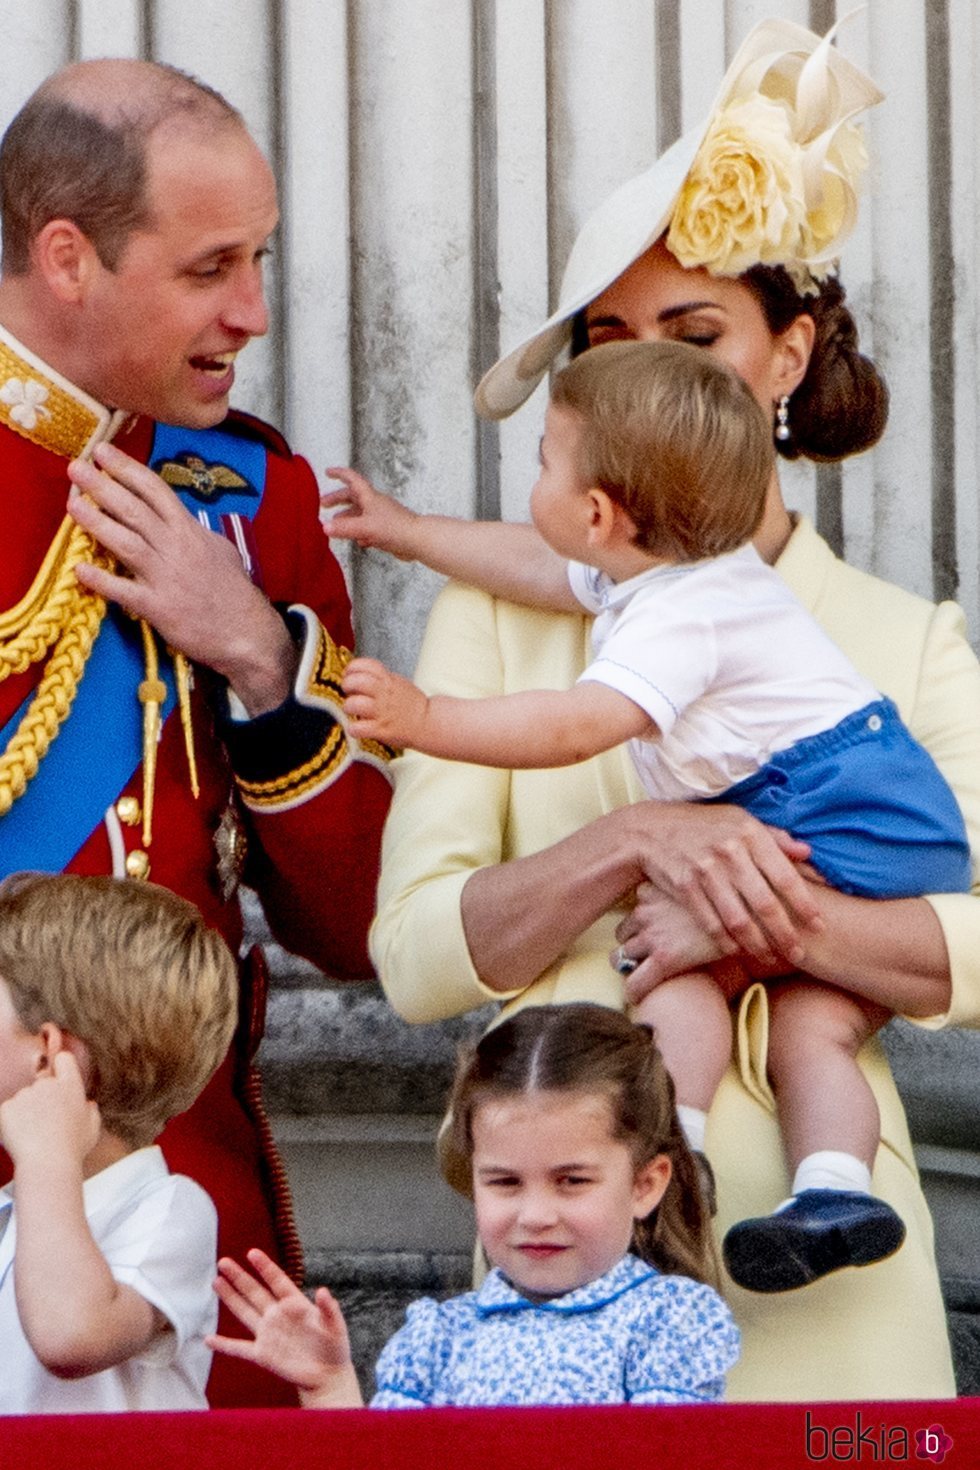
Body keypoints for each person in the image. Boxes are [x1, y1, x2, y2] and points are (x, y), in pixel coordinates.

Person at [368, 17, 980, 1399]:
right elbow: (412, 956)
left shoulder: (907, 641)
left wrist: (776, 914)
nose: (647, 378)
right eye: (610, 343)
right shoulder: (501, 618)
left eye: (695, 335)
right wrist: (642, 846)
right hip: (562, 1322)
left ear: (786, 355)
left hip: (844, 1322)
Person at [325, 337, 970, 1294]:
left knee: (669, 966)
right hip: (867, 808)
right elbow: (539, 569)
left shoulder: (680, 618)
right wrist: (411, 530)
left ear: (595, 512)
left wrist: (429, 720)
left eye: (543, 458)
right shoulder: (671, 570)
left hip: (833, 808)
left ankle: (680, 1162)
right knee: (812, 1026)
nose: (533, 481)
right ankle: (833, 1189)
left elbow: (579, 724)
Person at [0, 61, 392, 1405]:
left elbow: (357, 928)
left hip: (174, 1230)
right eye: (211, 265)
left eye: (261, 259)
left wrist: (261, 658)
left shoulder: (253, 502)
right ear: (68, 258)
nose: (254, 312)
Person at [209, 1003, 739, 1407]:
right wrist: (330, 1386)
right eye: (506, 1182)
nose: (535, 1215)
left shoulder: (668, 1323)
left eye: (572, 1181)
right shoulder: (436, 1340)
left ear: (645, 1185)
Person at [0, 871, 237, 1413]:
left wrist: (47, 1159)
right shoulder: (12, 1207)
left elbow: (70, 1336)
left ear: (48, 1054)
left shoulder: (168, 1208)